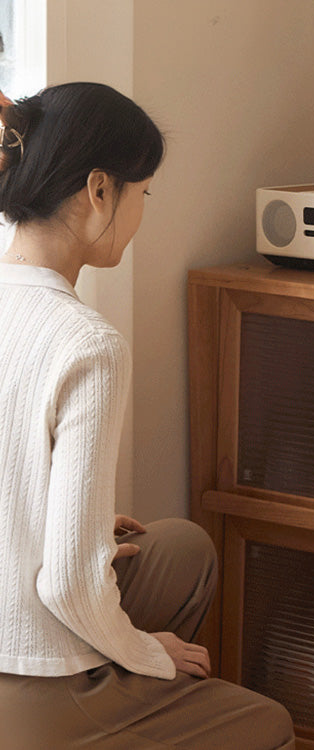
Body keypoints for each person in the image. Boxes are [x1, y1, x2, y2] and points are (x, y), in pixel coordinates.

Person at [0, 82, 295, 749]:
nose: (141, 214)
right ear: (100, 190)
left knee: (183, 548)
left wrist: (70, 518)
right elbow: (71, 583)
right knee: (268, 726)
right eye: (144, 194)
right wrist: (145, 652)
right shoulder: (87, 342)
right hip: (29, 683)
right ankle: (92, 716)